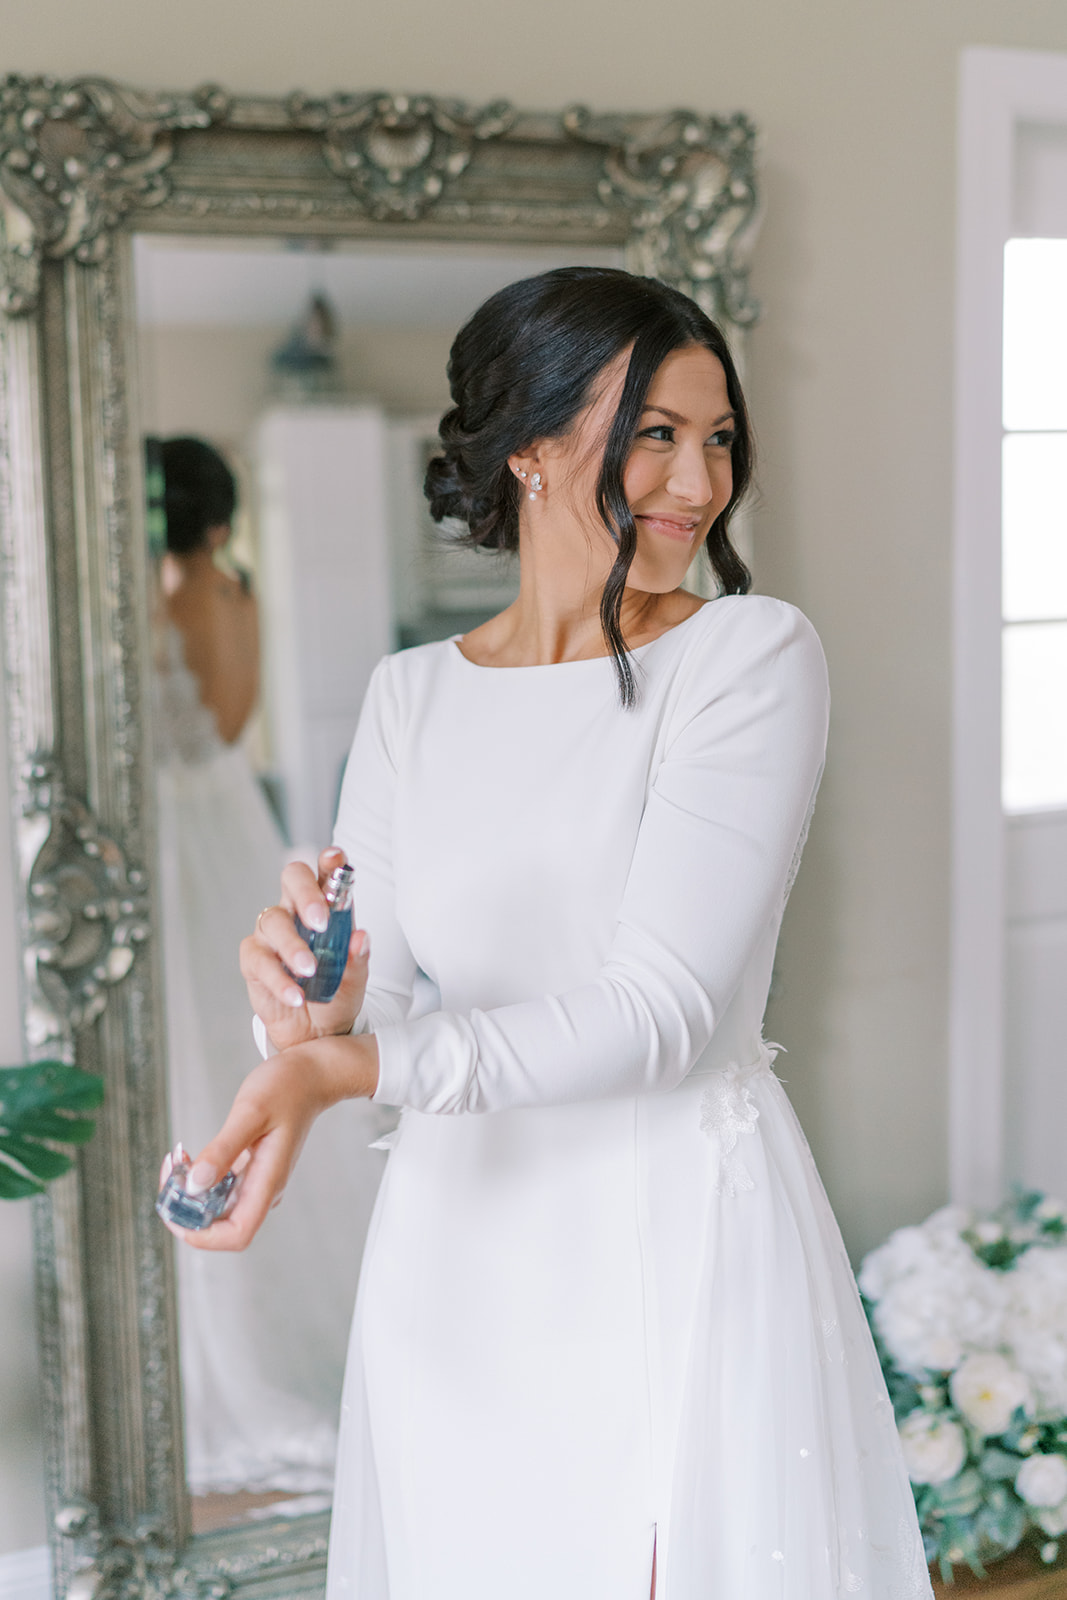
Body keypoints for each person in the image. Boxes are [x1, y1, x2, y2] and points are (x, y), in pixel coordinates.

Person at [165, 270, 933, 1598]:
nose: (695, 481)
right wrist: (310, 1010)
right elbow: (385, 1004)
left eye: (715, 438)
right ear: (526, 447)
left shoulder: (745, 660)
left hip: (663, 1231)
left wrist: (346, 1066)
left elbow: (660, 1014)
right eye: (652, 433)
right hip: (455, 1250)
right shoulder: (409, 699)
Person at [154, 438, 390, 1499]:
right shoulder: (238, 597)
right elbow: (230, 722)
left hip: (168, 826)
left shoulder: (159, 603)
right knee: (224, 1032)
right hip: (222, 810)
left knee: (199, 1045)